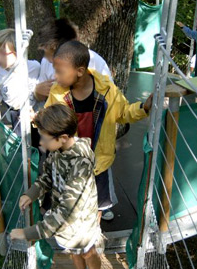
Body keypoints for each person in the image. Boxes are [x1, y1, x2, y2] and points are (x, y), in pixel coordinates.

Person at [45, 40, 153, 222]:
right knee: (71, 204)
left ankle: (93, 234)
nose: (55, 76)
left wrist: (143, 108)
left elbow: (124, 112)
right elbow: (50, 120)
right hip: (70, 162)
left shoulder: (106, 90)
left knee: (98, 204)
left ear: (80, 71)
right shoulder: (57, 93)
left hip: (98, 161)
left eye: (60, 72)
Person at [10, 104, 104, 269]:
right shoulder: (58, 152)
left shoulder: (80, 165)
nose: (41, 142)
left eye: (44, 138)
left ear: (62, 137)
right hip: (69, 226)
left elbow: (64, 214)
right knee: (73, 250)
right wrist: (31, 194)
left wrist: (27, 233)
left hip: (81, 222)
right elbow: (47, 178)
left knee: (88, 251)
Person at [30, 18, 112, 112]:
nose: (45, 57)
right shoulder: (46, 62)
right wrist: (37, 92)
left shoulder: (94, 62)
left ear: (55, 48)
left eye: (46, 51)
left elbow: (108, 100)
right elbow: (41, 96)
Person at [0, 28, 40, 134]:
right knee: (20, 144)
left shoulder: (35, 67)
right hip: (15, 115)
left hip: (36, 112)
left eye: (2, 53)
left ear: (17, 52)